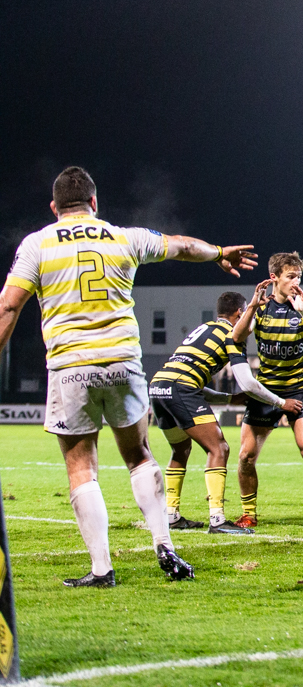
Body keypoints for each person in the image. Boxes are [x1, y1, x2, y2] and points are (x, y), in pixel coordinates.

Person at [0, 166, 255, 586]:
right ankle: (165, 545)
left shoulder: (38, 243)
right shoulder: (123, 236)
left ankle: (102, 569)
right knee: (139, 456)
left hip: (71, 365)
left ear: (54, 207)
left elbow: (10, 306)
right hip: (124, 362)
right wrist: (220, 252)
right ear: (94, 203)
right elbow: (182, 245)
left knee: (82, 467)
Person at [151, 291, 303, 535]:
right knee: (219, 448)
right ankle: (218, 520)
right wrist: (280, 402)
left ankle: (171, 515)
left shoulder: (206, 328)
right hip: (181, 388)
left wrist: (228, 399)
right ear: (240, 314)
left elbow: (195, 379)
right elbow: (248, 383)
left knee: (181, 449)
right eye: (251, 313)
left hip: (159, 387)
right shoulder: (233, 335)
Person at [230, 252, 303, 533]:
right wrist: (251, 306)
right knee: (245, 456)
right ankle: (249, 514)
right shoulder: (261, 309)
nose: (296, 282)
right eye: (291, 276)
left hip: (298, 388)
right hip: (264, 392)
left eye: (299, 277)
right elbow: (237, 337)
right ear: (274, 278)